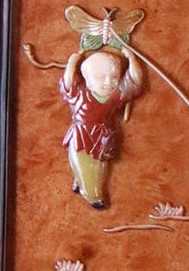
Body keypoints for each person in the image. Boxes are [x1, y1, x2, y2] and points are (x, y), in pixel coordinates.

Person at [55, 14, 144, 208]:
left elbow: (135, 82)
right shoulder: (80, 94)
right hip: (81, 135)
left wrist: (131, 58)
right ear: (86, 78)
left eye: (113, 77)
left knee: (98, 167)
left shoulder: (114, 97)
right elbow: (68, 83)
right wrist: (73, 62)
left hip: (102, 138)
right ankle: (92, 194)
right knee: (81, 162)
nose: (108, 82)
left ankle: (90, 190)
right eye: (100, 77)